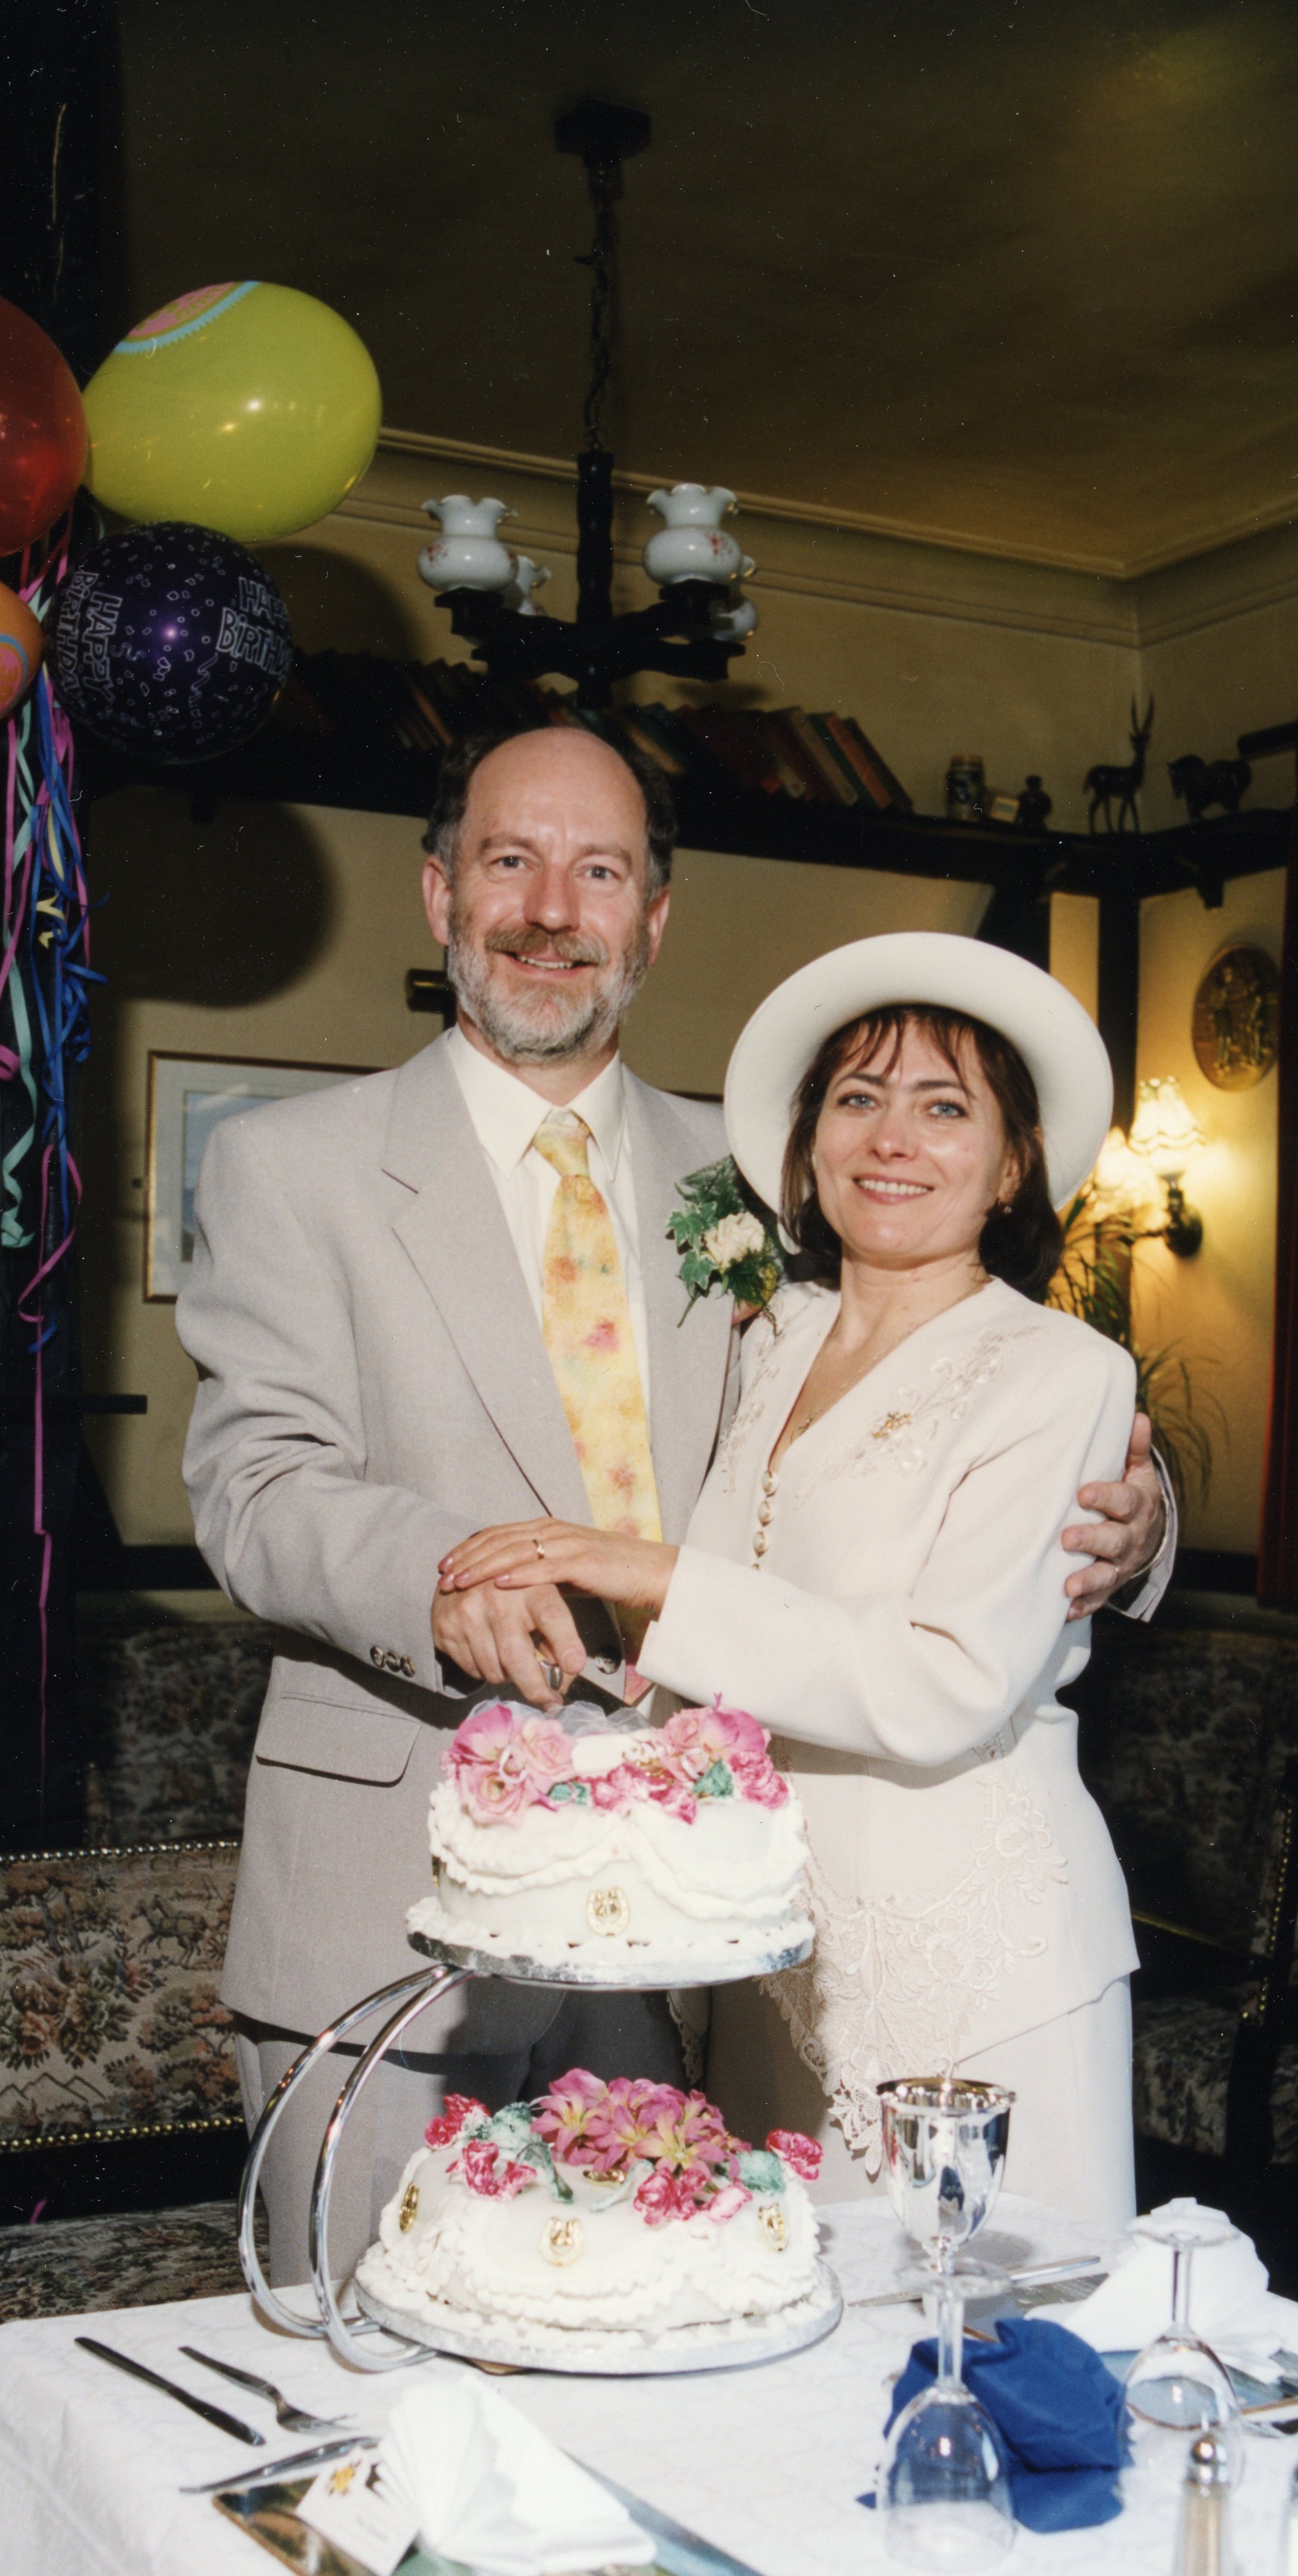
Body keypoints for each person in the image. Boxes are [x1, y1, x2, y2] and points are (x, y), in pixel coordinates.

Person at [181, 737, 1169, 2269]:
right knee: (365, 2358)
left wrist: (1133, 1513)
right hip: (397, 1899)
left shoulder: (768, 1180)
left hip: (705, 1927)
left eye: (601, 872)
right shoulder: (288, 1166)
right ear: (440, 890)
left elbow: (938, 1396)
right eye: (509, 861)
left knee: (687, 2349)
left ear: (654, 920)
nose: (549, 909)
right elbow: (253, 1481)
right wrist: (441, 1566)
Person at [439, 932, 1147, 2227]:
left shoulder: (1063, 1371)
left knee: (984, 2359)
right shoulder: (777, 1329)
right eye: (859, 1098)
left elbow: (946, 1686)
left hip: (971, 1963)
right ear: (808, 1139)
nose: (894, 1138)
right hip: (773, 1952)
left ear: (1012, 1163)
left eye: (945, 1108)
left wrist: (645, 1573)